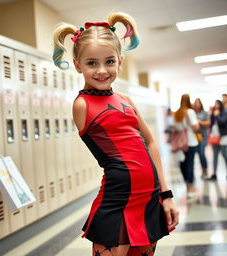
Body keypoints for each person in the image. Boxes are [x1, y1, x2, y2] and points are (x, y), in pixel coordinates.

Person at [53, 12, 178, 256]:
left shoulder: (126, 99)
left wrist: (166, 194)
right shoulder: (83, 105)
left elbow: (150, 142)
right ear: (78, 65)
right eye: (91, 63)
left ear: (120, 61)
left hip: (150, 198)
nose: (101, 70)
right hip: (117, 200)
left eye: (109, 61)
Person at [172, 94, 199, 198]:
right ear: (188, 101)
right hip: (190, 141)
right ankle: (190, 188)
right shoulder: (190, 112)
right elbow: (195, 127)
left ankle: (187, 184)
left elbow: (174, 129)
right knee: (190, 164)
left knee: (182, 164)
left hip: (180, 142)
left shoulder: (177, 113)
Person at [207, 100, 227, 180]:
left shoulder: (224, 113)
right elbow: (211, 124)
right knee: (215, 156)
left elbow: (222, 122)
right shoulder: (214, 113)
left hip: (222, 138)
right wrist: (212, 114)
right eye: (215, 104)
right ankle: (214, 173)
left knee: (225, 156)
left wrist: (217, 115)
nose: (216, 105)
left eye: (217, 104)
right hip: (214, 137)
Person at [193, 98, 211, 178]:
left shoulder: (204, 113)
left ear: (201, 104)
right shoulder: (192, 113)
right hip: (194, 136)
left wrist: (200, 122)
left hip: (203, 136)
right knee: (197, 154)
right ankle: (202, 171)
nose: (197, 104)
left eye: (198, 103)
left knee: (201, 152)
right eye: (195, 103)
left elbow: (208, 123)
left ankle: (205, 170)